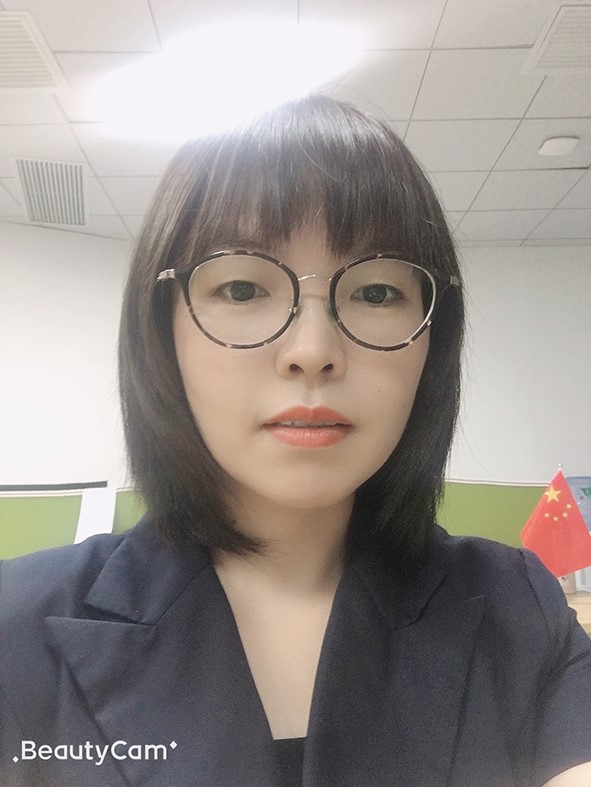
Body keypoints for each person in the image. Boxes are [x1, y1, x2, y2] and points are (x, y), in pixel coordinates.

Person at [1, 95, 590, 787]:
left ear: (433, 343)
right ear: (162, 331)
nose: (312, 351)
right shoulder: (17, 625)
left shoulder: (518, 609)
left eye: (376, 293)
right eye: (241, 287)